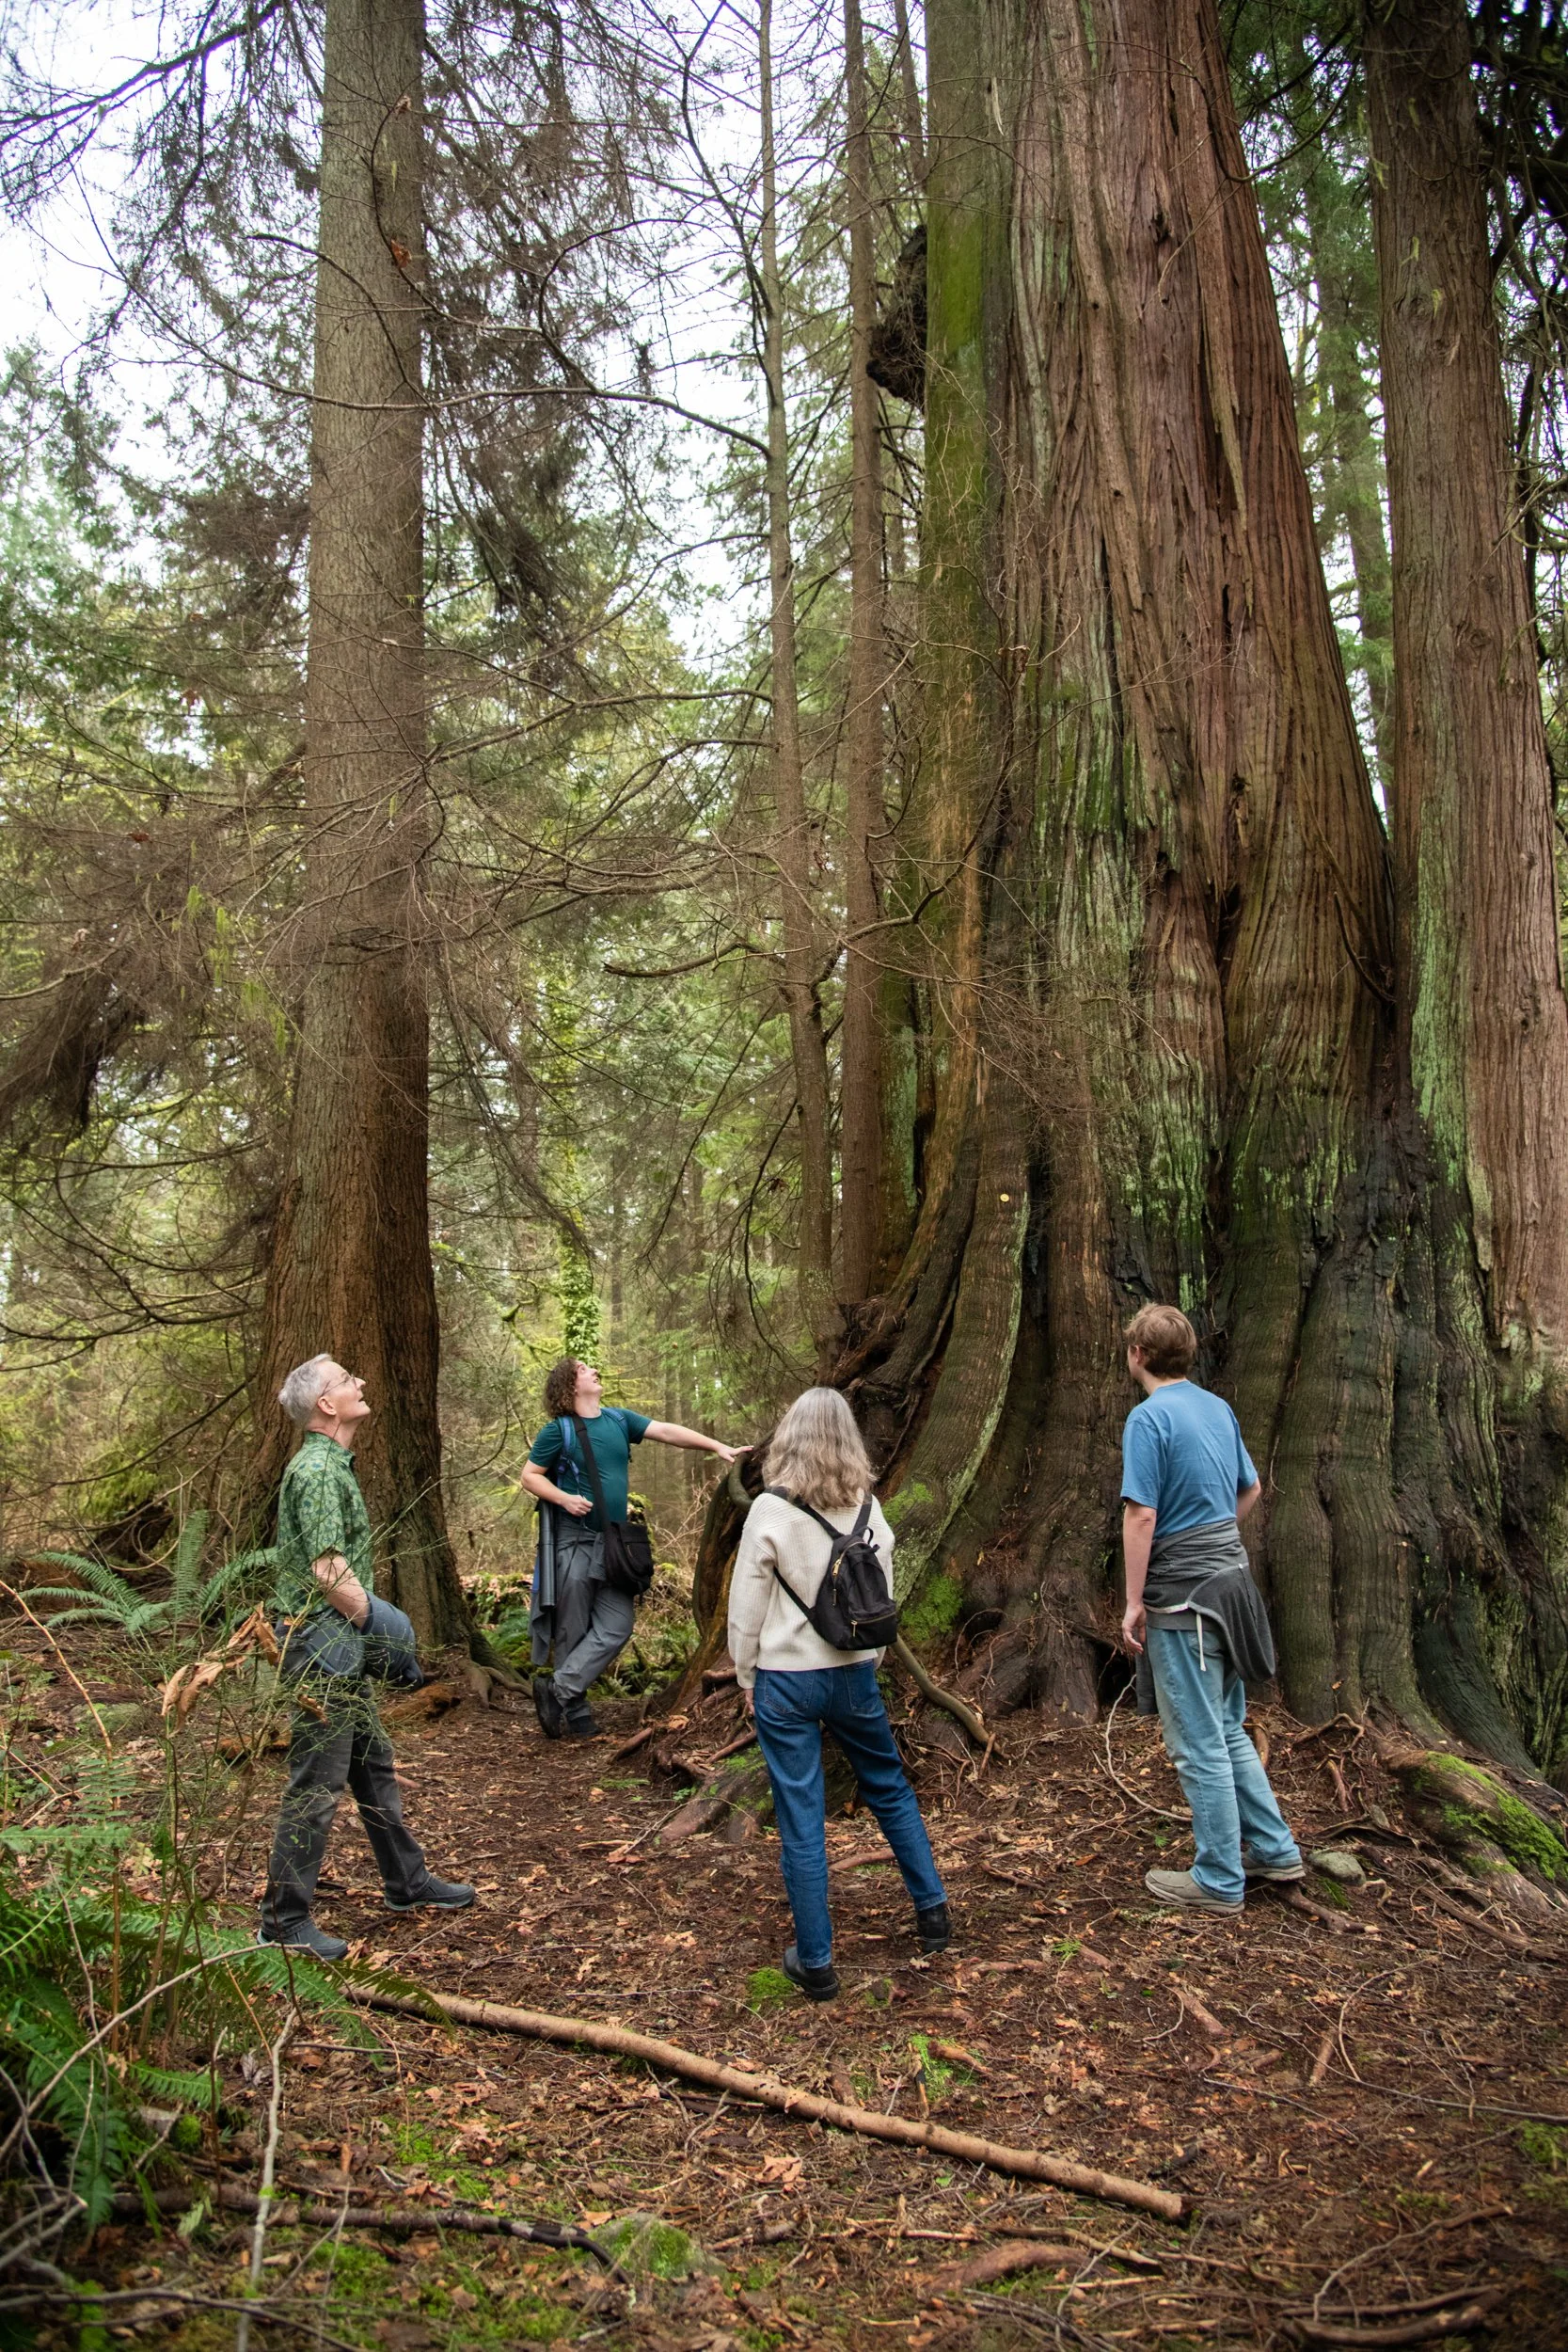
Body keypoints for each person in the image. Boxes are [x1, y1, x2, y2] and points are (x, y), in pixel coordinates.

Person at [728, 1387, 948, 2001]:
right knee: (889, 1788)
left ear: (788, 1440)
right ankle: (933, 1913)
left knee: (801, 1815)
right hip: (852, 1672)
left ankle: (817, 1962)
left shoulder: (769, 1513)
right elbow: (879, 1597)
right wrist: (867, 1659)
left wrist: (746, 1676)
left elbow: (744, 1612)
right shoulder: (869, 1511)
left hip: (786, 1681)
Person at [259, 1355, 475, 1963]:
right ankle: (282, 1919)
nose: (360, 1381)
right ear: (326, 1405)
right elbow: (329, 1572)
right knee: (316, 1782)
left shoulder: (330, 1465)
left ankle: (407, 1881)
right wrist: (385, 1627)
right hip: (321, 1644)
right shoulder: (319, 1471)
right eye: (348, 1379)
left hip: (337, 1644)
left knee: (372, 1764)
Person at [1119, 1303, 1305, 1914]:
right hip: (1232, 1587)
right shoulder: (1216, 1409)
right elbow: (1248, 1488)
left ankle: (1218, 1879)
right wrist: (1215, 1536)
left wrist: (1131, 1601)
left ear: (1137, 1355)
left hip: (1186, 1599)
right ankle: (1274, 1851)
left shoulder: (1148, 1420)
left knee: (1198, 1742)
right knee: (1226, 1729)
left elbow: (1141, 1514)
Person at [521, 1359, 739, 1739]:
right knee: (572, 1629)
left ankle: (557, 1691)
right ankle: (576, 1712)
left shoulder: (619, 1420)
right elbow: (529, 1476)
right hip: (573, 1541)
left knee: (616, 1626)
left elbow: (668, 1431)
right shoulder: (558, 1431)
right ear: (570, 1385)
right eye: (584, 1368)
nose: (593, 1370)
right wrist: (564, 1499)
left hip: (614, 1546)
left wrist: (717, 1446)